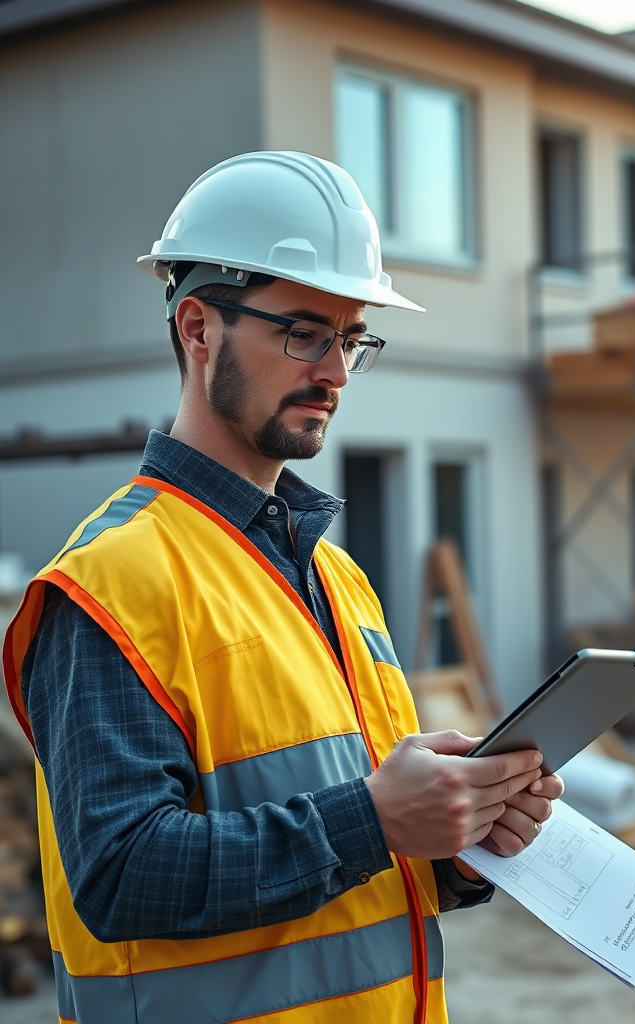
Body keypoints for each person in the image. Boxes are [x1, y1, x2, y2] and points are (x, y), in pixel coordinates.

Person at [2, 151, 563, 1024]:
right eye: (304, 333)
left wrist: (455, 839)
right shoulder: (113, 580)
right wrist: (374, 820)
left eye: (351, 339)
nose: (334, 371)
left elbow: (355, 867)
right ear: (198, 328)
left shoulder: (337, 577)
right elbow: (118, 875)